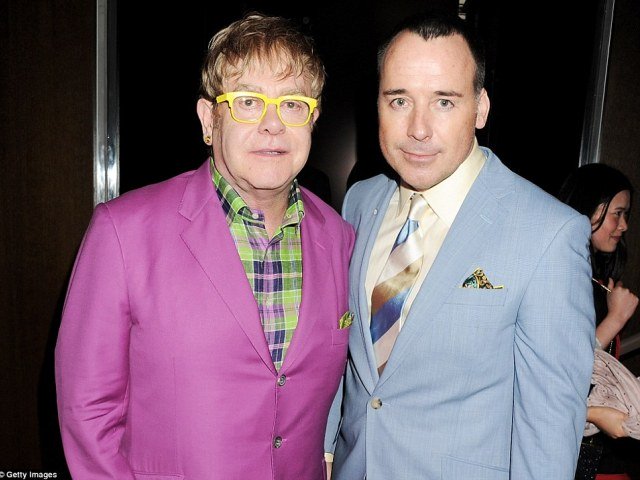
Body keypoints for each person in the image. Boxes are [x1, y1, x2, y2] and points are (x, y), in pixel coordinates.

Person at [55, 13, 354, 480]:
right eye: (248, 102)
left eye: (293, 105)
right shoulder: (123, 231)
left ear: (313, 120)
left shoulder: (338, 238)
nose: (273, 124)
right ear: (209, 119)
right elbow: (86, 411)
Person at [324, 12, 595, 479]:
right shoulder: (360, 202)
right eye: (399, 100)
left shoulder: (549, 233)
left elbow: (549, 431)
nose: (419, 128)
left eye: (444, 102)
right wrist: (327, 451)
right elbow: (343, 359)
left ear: (481, 108)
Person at [558, 163, 638, 480]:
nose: (624, 225)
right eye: (617, 214)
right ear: (587, 208)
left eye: (626, 214)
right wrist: (616, 319)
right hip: (572, 448)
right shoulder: (562, 275)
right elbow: (564, 366)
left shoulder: (597, 278)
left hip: (597, 450)